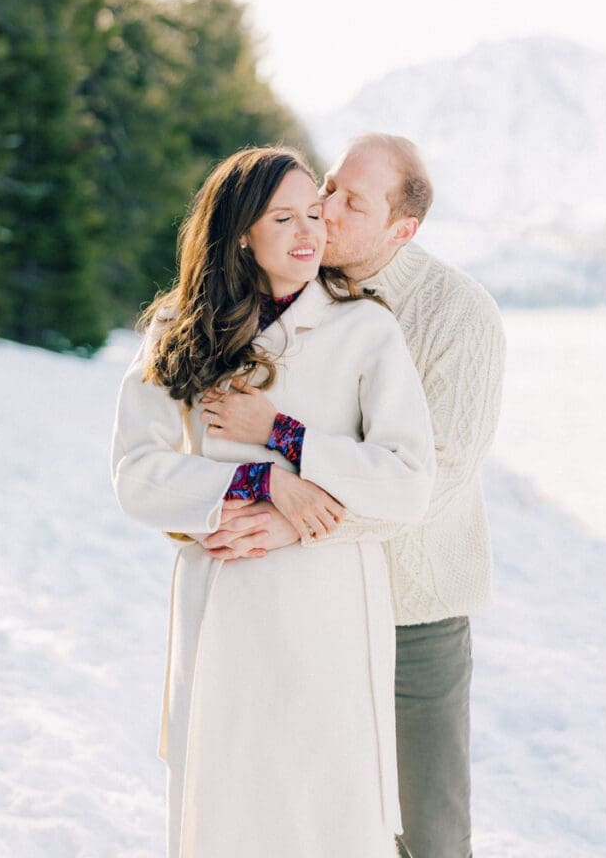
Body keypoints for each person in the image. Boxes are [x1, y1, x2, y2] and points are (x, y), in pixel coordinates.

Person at [111, 146, 436, 858]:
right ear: (240, 236)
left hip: (330, 611)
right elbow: (136, 473)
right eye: (283, 217)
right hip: (224, 608)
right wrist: (258, 482)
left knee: (328, 815)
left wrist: (288, 441)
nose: (308, 231)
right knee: (230, 816)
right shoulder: (178, 332)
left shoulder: (366, 330)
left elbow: (409, 480)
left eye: (314, 214)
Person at [206, 133, 506, 858]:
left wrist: (297, 525)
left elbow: (435, 477)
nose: (325, 208)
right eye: (329, 186)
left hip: (413, 617)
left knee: (428, 833)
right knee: (322, 825)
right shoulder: (298, 290)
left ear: (403, 230)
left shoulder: (460, 315)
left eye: (351, 201)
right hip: (313, 605)